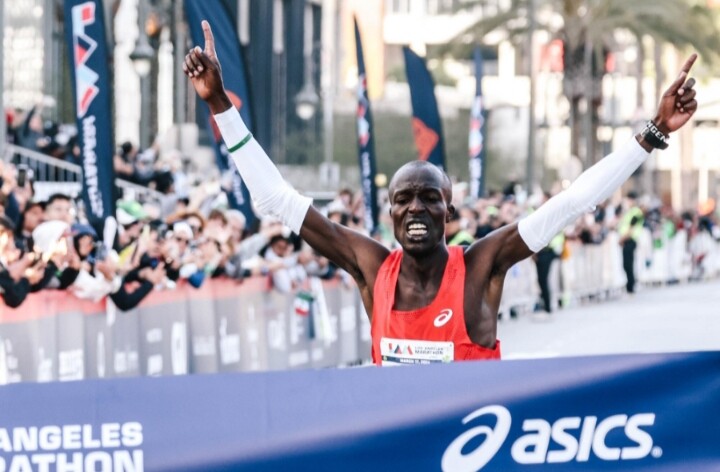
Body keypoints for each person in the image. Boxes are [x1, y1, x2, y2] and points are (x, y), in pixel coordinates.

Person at [184, 21, 698, 365]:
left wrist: (653, 133)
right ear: (390, 212)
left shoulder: (481, 266)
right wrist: (220, 106)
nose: (416, 207)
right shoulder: (371, 267)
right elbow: (275, 198)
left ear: (448, 211)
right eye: (404, 198)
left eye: (430, 197)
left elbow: (571, 203)